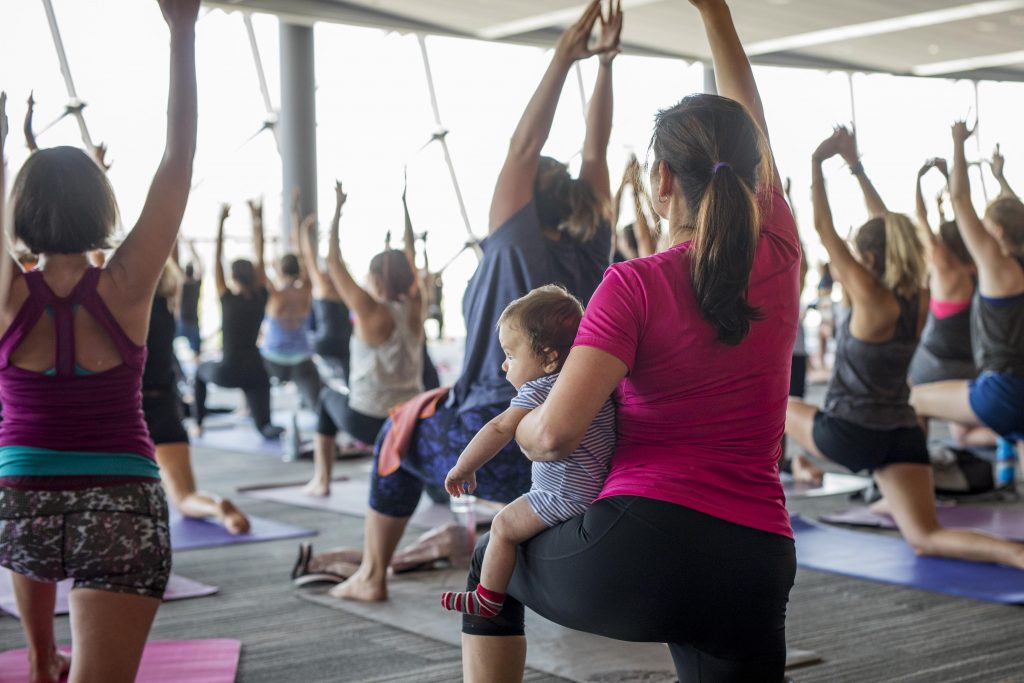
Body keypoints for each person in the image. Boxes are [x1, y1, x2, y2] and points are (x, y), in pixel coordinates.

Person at [459, 2, 801, 679]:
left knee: (487, 564)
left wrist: (518, 421)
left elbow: (556, 437)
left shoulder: (634, 284)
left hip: (642, 550)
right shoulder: (783, 250)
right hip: (758, 560)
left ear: (662, 180)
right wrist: (715, 13)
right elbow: (750, 119)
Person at [329, 0, 617, 604]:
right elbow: (598, 153)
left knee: (395, 436)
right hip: (592, 442)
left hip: (507, 441)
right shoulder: (594, 250)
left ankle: (372, 576)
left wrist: (567, 55)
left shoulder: (513, 244)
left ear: (523, 200)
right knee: (426, 416)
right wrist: (606, 66)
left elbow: (523, 143)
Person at [0, 4, 198, 682]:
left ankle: (37, 652)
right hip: (120, 498)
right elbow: (178, 158)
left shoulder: (8, 295)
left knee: (28, 489)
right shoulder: (126, 285)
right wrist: (181, 35)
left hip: (19, 500)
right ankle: (42, 654)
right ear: (102, 204)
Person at [786, 125, 1024, 571]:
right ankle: (1017, 554)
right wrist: (856, 169)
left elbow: (824, 227)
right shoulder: (915, 293)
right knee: (927, 537)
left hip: (850, 434)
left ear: (868, 260)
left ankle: (749, 502)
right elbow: (890, 228)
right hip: (899, 437)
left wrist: (819, 165)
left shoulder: (870, 297)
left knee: (775, 403)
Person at [440, 286, 614, 617]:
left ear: (549, 358)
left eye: (510, 355)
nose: (504, 367)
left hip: (563, 495)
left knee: (503, 525)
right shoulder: (592, 385)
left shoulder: (541, 388)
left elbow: (499, 428)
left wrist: (463, 467)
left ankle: (487, 596)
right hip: (596, 493)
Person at [910, 124, 1024, 464]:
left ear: (997, 232)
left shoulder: (999, 268)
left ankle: (914, 496)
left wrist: (958, 144)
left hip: (1002, 389)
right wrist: (1001, 178)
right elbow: (1017, 211)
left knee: (916, 399)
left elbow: (961, 200)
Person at [303, 183, 425, 497]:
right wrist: (405, 205)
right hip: (412, 420)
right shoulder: (416, 308)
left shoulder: (370, 310)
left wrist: (338, 209)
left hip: (368, 421)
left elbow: (333, 263)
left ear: (377, 278)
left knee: (327, 399)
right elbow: (410, 259)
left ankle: (322, 480)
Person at [144, 263, 250, 534]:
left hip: (127, 411)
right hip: (165, 406)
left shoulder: (118, 312)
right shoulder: (168, 309)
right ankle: (216, 507)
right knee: (183, 496)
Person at [193, 204, 283, 439]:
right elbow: (261, 256)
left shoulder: (228, 299)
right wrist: (258, 218)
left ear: (232, 276)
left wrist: (221, 223)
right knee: (265, 426)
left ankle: (198, 423)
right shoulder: (261, 296)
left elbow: (216, 260)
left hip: (229, 371)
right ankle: (267, 426)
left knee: (199, 372)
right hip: (255, 371)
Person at [261, 192, 323, 411]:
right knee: (318, 404)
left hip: (272, 361)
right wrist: (295, 212)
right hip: (301, 361)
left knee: (252, 377)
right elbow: (304, 255)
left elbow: (259, 261)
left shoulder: (275, 295)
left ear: (279, 269)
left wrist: (258, 219)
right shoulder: (306, 290)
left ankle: (250, 407)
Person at [300, 185, 353, 382]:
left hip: (325, 343)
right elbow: (335, 250)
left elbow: (308, 256)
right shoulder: (345, 287)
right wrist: (339, 207)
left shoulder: (322, 284)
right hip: (347, 343)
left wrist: (304, 230)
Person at [175, 239, 204, 361]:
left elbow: (175, 263)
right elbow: (200, 264)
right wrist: (191, 247)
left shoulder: (180, 283)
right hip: (191, 322)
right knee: (197, 354)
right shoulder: (195, 284)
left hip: (181, 321)